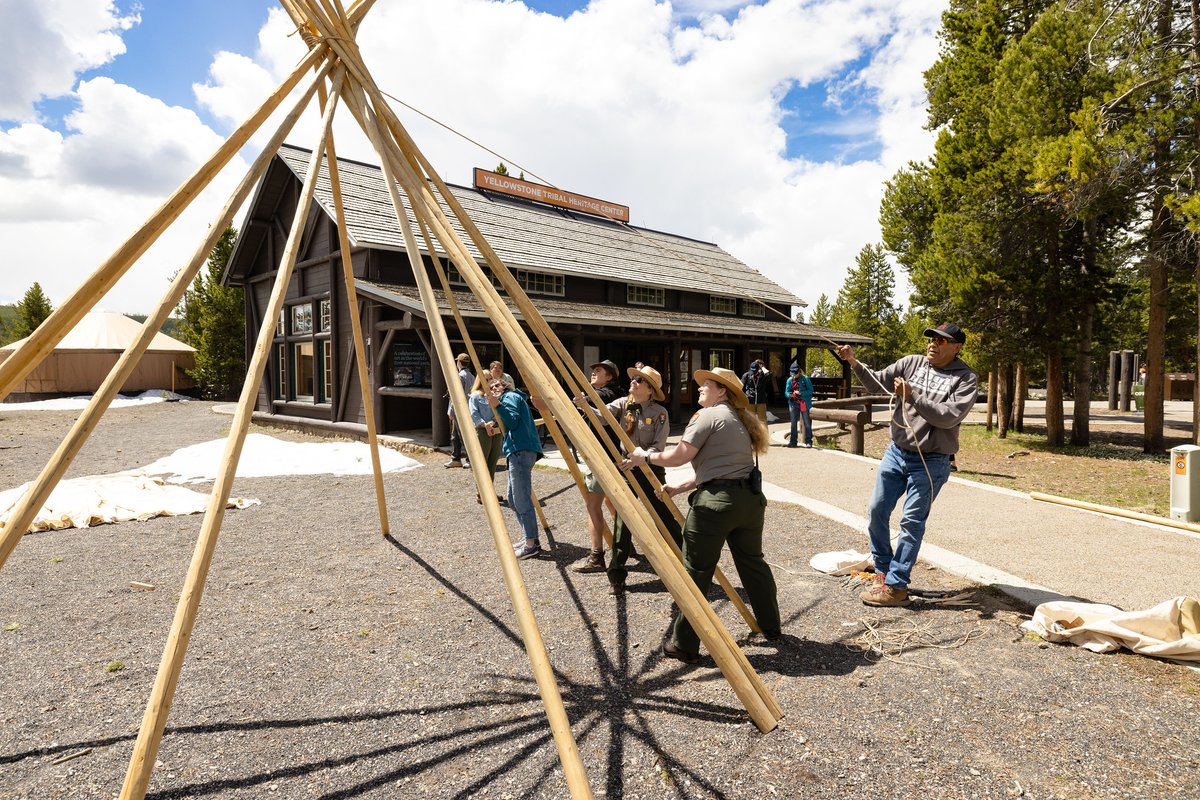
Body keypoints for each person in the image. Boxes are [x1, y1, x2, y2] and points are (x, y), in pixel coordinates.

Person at [623, 366, 781, 665]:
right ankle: (770, 624)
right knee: (752, 563)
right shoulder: (738, 420)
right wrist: (680, 486)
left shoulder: (707, 416)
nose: (698, 389)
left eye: (705, 385)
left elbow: (680, 455)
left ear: (722, 391)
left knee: (695, 570)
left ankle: (684, 644)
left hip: (715, 505)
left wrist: (646, 456)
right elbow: (722, 465)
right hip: (748, 502)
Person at [835, 322, 978, 607]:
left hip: (932, 460)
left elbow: (948, 417)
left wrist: (912, 395)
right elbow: (876, 382)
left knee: (911, 522)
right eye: (932, 339)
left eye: (942, 341)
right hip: (897, 452)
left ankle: (897, 587)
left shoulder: (966, 378)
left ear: (957, 347)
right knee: (877, 510)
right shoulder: (911, 363)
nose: (934, 344)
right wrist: (852, 361)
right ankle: (884, 571)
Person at [575, 365, 681, 591]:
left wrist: (640, 459)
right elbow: (603, 416)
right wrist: (586, 406)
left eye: (639, 380)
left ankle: (686, 561)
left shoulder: (659, 413)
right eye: (633, 378)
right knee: (624, 520)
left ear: (650, 390)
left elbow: (658, 446)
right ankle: (616, 575)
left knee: (663, 516)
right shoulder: (623, 403)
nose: (633, 381)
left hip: (650, 470)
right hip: (627, 470)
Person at [571, 359, 623, 568]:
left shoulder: (605, 394)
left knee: (593, 505)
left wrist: (583, 400)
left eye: (599, 371)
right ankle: (624, 543)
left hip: (603, 457)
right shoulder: (616, 393)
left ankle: (596, 556)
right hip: (612, 455)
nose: (593, 373)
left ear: (609, 377)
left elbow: (597, 398)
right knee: (612, 502)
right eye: (593, 370)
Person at [487, 379, 545, 559]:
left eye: (496, 385)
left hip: (521, 450)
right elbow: (511, 422)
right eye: (490, 388)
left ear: (505, 385)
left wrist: (497, 405)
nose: (493, 389)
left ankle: (531, 543)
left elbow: (512, 420)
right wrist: (494, 423)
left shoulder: (510, 396)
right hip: (520, 449)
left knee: (520, 498)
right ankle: (529, 537)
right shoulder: (513, 398)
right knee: (513, 498)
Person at [469, 375, 505, 504]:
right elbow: (474, 413)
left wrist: (494, 421)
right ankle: (481, 492)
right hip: (483, 431)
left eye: (490, 378)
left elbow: (500, 409)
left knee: (492, 462)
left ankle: (490, 491)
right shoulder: (475, 396)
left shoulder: (493, 394)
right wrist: (485, 424)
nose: (489, 380)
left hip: (495, 429)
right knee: (482, 462)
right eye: (486, 378)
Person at [445, 353, 475, 469]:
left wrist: (451, 411)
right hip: (469, 409)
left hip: (459, 410)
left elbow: (455, 396)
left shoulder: (459, 376)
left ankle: (470, 459)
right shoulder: (471, 376)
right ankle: (456, 458)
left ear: (458, 363)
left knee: (462, 436)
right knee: (456, 436)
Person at [785, 362, 814, 448]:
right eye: (792, 373)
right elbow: (786, 392)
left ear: (799, 372)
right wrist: (790, 395)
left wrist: (800, 393)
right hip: (793, 403)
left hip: (803, 403)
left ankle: (808, 441)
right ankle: (793, 442)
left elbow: (811, 390)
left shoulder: (805, 378)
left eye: (795, 373)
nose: (794, 375)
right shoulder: (789, 380)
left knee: (806, 423)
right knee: (793, 423)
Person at [741, 359, 771, 424]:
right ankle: (750, 434)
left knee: (762, 420)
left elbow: (769, 375)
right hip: (750, 401)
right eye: (752, 370)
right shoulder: (746, 375)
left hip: (761, 401)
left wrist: (762, 366)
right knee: (750, 420)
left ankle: (764, 434)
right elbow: (741, 387)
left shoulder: (762, 375)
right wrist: (745, 397)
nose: (753, 372)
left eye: (755, 370)